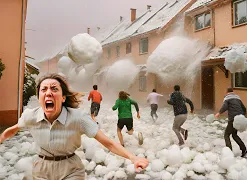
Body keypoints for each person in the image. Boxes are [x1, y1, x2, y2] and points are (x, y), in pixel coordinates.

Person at [0, 73, 148, 179]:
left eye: (54, 89)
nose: (48, 93)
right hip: (41, 169)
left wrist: (133, 158)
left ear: (63, 97)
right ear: (39, 97)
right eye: (43, 90)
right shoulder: (30, 116)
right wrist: (1, 137)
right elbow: (13, 129)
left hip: (71, 170)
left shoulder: (78, 118)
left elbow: (108, 142)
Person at [215, 88, 247, 157]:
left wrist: (219, 113)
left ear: (227, 92)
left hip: (233, 119)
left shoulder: (227, 98)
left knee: (226, 135)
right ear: (233, 92)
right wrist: (242, 116)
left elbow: (224, 107)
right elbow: (244, 108)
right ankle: (244, 149)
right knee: (234, 135)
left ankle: (229, 152)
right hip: (239, 119)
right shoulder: (238, 98)